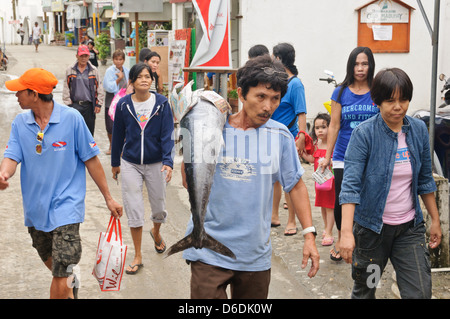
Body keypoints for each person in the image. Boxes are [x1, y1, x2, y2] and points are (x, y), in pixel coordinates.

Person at [181, 54, 319, 299]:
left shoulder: (280, 136)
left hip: (253, 255)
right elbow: (187, 181)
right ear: (241, 93)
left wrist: (309, 234)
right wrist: (190, 132)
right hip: (208, 251)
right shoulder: (214, 128)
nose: (268, 107)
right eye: (261, 97)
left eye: (275, 99)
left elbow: (296, 186)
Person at [0, 68, 123, 299]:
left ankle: (66, 282)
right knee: (57, 268)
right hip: (36, 212)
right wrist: (3, 175)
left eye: (20, 92)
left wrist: (108, 197)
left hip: (67, 209)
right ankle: (70, 284)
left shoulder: (72, 119)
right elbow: (12, 156)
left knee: (60, 271)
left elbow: (92, 160)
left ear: (34, 94)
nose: (16, 96)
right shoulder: (20, 123)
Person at [339, 68, 442, 299]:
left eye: (403, 99)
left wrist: (434, 220)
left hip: (409, 230)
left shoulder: (417, 130)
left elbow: (425, 179)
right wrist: (346, 232)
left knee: (419, 292)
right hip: (373, 234)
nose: (398, 107)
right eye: (390, 101)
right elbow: (350, 186)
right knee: (368, 289)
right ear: (376, 101)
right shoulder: (364, 134)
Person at [111, 63, 174, 275]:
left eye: (148, 76)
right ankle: (137, 255)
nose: (145, 80)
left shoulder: (162, 104)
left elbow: (167, 135)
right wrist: (115, 163)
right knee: (134, 208)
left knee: (159, 207)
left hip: (156, 162)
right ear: (132, 81)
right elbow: (118, 135)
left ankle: (156, 233)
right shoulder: (123, 105)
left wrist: (168, 161)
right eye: (140, 77)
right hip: (130, 163)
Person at [318, 46, 378, 262]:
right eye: (356, 64)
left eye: (364, 64)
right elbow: (334, 126)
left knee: (368, 200)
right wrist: (327, 155)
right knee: (343, 200)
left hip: (372, 156)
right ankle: (342, 239)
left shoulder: (377, 90)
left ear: (370, 65)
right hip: (344, 155)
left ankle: (362, 241)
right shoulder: (340, 92)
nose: (360, 68)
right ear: (350, 66)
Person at [270, 43, 308, 236]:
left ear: (279, 59)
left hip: (289, 137)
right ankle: (274, 216)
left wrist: (301, 136)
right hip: (271, 137)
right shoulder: (279, 82)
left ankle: (292, 221)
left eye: (273, 56)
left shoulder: (295, 84)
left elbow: (301, 112)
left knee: (289, 180)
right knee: (275, 179)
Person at [301, 113, 335, 246]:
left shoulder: (333, 145)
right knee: (322, 205)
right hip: (319, 181)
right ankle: (326, 227)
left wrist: (330, 161)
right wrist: (303, 154)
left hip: (330, 181)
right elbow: (311, 159)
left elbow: (336, 161)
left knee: (330, 206)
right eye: (317, 128)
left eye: (323, 127)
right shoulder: (317, 144)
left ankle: (329, 232)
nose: (320, 130)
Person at [63, 45, 105, 136]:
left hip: (89, 106)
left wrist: (99, 104)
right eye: (81, 56)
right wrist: (68, 104)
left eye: (86, 56)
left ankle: (89, 150)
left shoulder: (94, 70)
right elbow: (66, 87)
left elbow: (99, 88)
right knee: (75, 132)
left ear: (89, 56)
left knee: (89, 133)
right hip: (75, 105)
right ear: (76, 56)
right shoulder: (70, 70)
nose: (83, 58)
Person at [103, 49, 130, 154]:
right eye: (116, 59)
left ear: (123, 60)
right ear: (113, 60)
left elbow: (129, 84)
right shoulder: (109, 71)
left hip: (123, 101)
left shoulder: (127, 70)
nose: (118, 61)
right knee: (110, 126)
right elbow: (107, 87)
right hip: (111, 100)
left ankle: (122, 147)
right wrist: (119, 79)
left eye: (120, 59)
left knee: (123, 125)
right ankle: (111, 146)